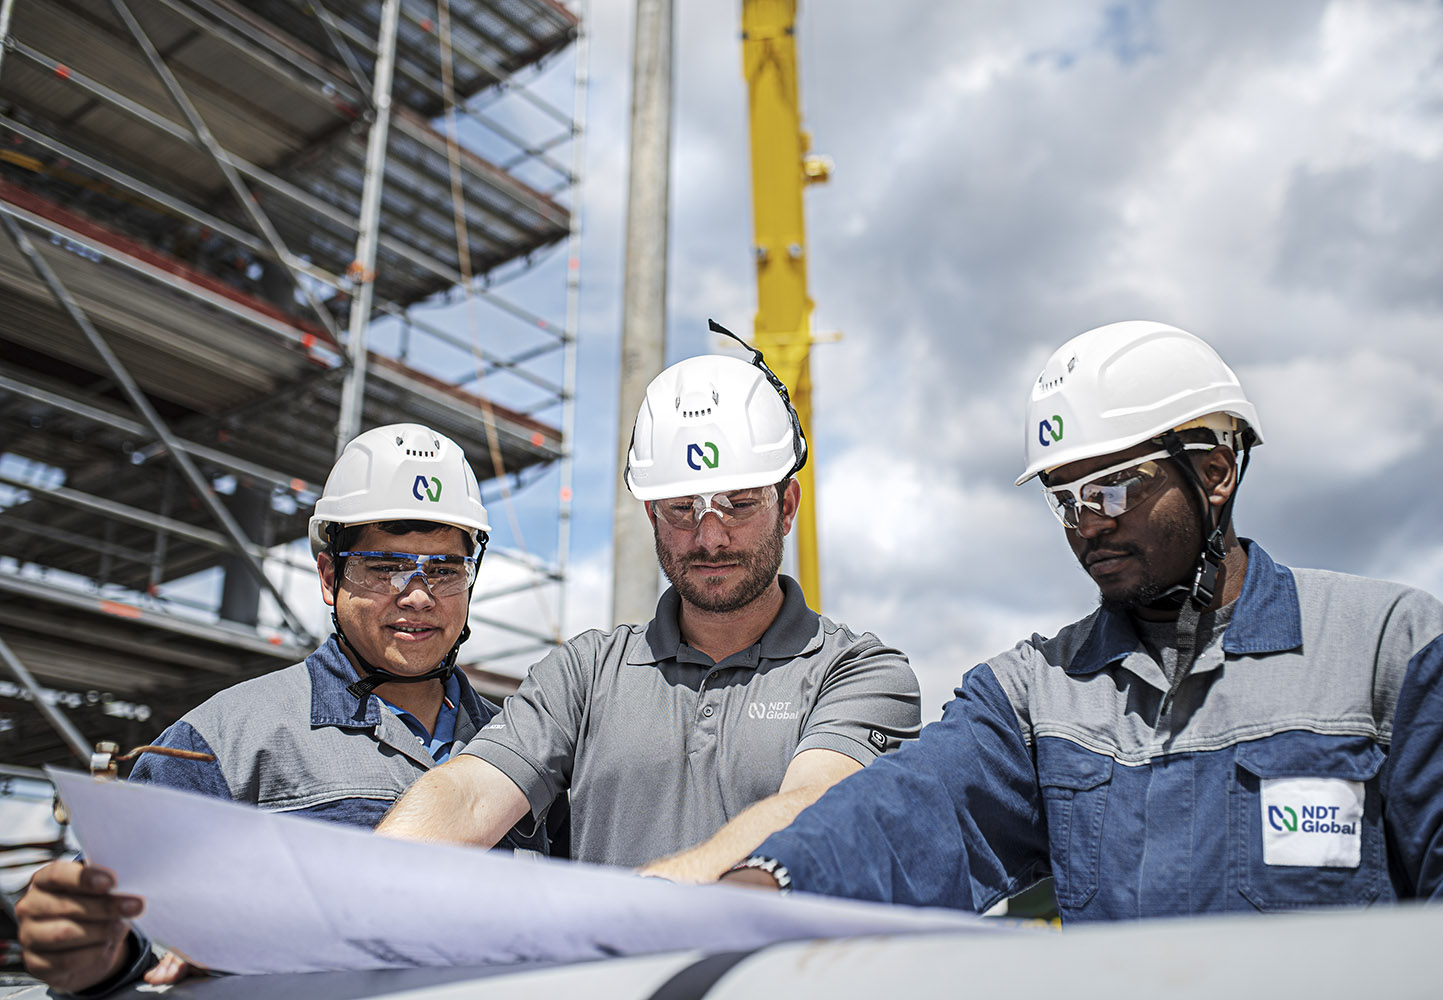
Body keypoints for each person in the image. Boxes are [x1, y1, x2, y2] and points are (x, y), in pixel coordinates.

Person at [725, 320, 1443, 919]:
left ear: (1216, 473)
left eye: (1113, 488)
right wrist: (763, 886)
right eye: (1064, 498)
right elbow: (908, 813)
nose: (1086, 524)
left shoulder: (1400, 654)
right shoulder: (1036, 696)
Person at [17, 423, 555, 992]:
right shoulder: (222, 742)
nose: (419, 595)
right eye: (384, 567)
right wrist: (97, 947)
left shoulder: (526, 744)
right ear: (329, 576)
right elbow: (129, 923)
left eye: (444, 570)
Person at [377, 341, 922, 882]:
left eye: (738, 504)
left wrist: (644, 905)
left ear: (787, 507)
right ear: (651, 515)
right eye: (682, 509)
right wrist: (362, 879)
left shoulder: (858, 674)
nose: (710, 537)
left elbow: (813, 810)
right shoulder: (586, 673)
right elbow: (471, 796)